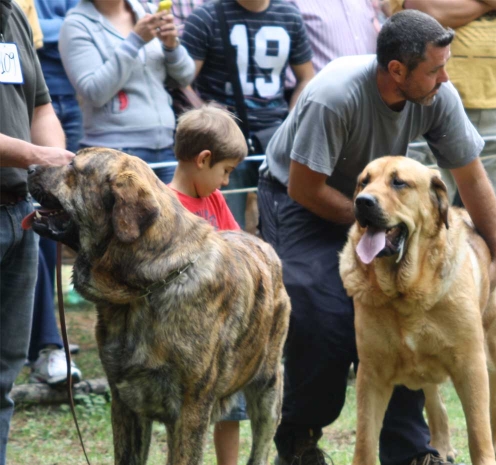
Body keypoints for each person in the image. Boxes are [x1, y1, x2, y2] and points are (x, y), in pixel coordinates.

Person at [257, 10, 496, 465]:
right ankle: (299, 441)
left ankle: (410, 456)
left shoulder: (436, 94)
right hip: (301, 196)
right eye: (435, 69)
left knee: (404, 302)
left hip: (383, 210)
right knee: (321, 311)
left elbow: (471, 176)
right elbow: (304, 188)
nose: (445, 77)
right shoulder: (334, 97)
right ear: (397, 72)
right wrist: (372, 222)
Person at [0, 0, 74, 465]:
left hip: (16, 211)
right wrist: (34, 153)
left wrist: (53, 158)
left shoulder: (14, 16)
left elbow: (39, 102)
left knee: (3, 375)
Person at [394, 0, 496, 255]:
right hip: (432, 100)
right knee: (424, 217)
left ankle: (489, 294)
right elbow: (429, 12)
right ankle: (421, 294)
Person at [168, 104, 251, 465]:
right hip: (183, 340)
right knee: (188, 416)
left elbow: (236, 244)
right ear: (203, 160)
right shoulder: (166, 206)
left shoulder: (214, 199)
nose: (226, 180)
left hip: (222, 333)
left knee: (231, 407)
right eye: (226, 170)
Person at [181, 0, 314, 228]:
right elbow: (182, 81)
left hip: (276, 136)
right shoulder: (206, 16)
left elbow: (307, 77)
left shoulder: (289, 15)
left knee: (287, 226)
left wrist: (290, 124)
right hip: (222, 141)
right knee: (226, 232)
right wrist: (207, 116)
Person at [58, 0, 195, 184]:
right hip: (115, 154)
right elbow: (93, 92)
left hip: (166, 148)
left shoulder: (147, 12)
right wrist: (135, 41)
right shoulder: (76, 24)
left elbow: (185, 77)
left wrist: (172, 46)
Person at [27, 0, 84, 386]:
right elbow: (74, 27)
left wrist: (54, 166)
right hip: (21, 154)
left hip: (29, 152)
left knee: (43, 226)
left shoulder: (15, 15)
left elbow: (39, 103)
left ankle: (48, 343)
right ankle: (47, 344)